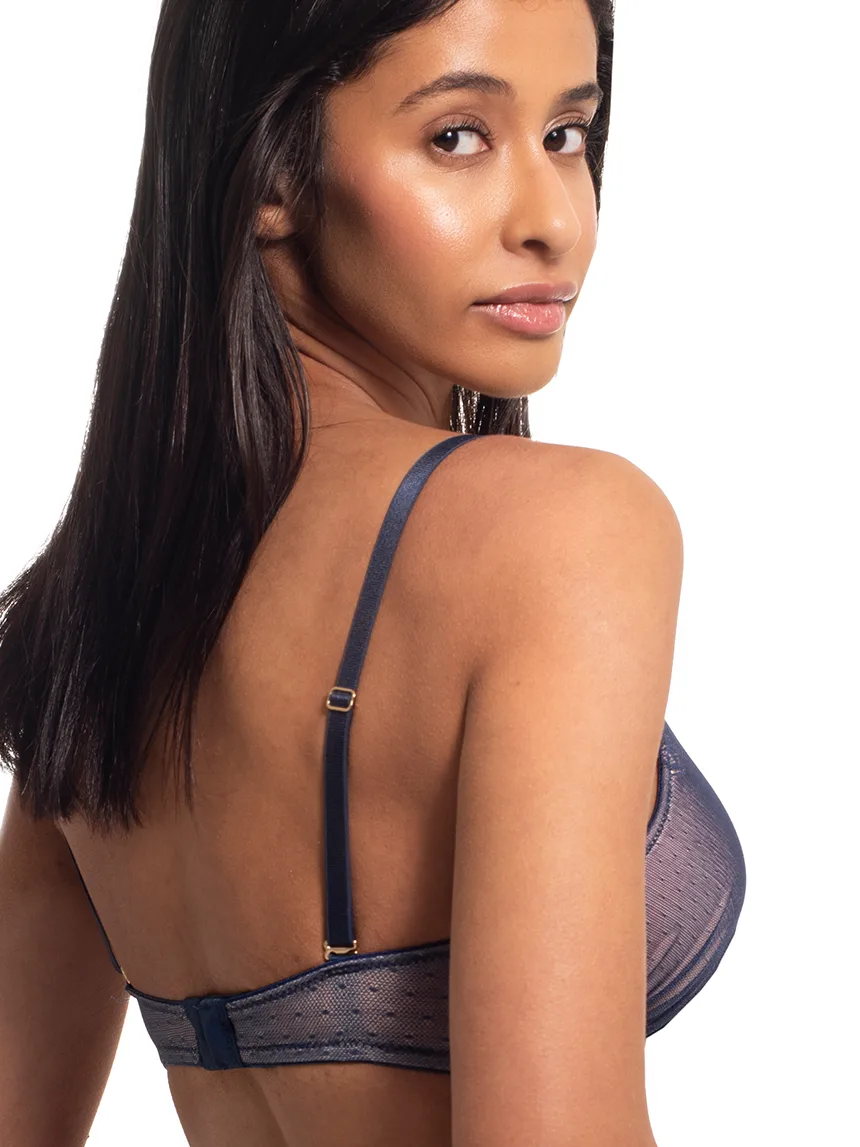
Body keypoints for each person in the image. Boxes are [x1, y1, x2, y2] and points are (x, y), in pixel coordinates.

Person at [0, 0, 745, 1144]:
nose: (554, 219)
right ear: (272, 173)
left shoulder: (86, 616)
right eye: (457, 136)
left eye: (566, 134)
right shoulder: (559, 534)